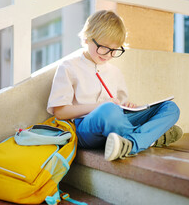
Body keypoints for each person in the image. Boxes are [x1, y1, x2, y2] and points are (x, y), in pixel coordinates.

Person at [47, 10, 182, 161]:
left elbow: (119, 109)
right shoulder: (69, 67)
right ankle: (147, 138)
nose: (108, 55)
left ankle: (131, 143)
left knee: (170, 108)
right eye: (104, 47)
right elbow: (60, 112)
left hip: (115, 121)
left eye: (114, 50)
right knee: (108, 110)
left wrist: (128, 106)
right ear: (87, 39)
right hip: (84, 129)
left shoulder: (115, 72)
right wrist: (100, 105)